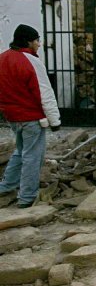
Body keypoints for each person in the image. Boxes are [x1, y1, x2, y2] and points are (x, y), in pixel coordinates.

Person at [0, 24, 61, 208]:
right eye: (37, 40)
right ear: (28, 42)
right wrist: (55, 120)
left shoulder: (3, 58)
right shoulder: (31, 61)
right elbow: (44, 93)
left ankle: (6, 186)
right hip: (31, 117)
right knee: (33, 156)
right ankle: (27, 197)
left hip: (12, 116)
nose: (39, 44)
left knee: (21, 151)